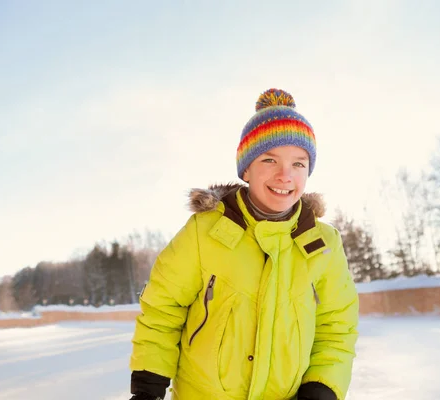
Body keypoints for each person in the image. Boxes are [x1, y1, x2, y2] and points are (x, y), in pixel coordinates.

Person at [129, 88, 359, 400]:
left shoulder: (323, 243)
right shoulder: (205, 232)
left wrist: (322, 389)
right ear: (246, 168)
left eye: (299, 164)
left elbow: (337, 327)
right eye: (269, 159)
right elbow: (162, 310)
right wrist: (148, 387)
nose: (285, 175)